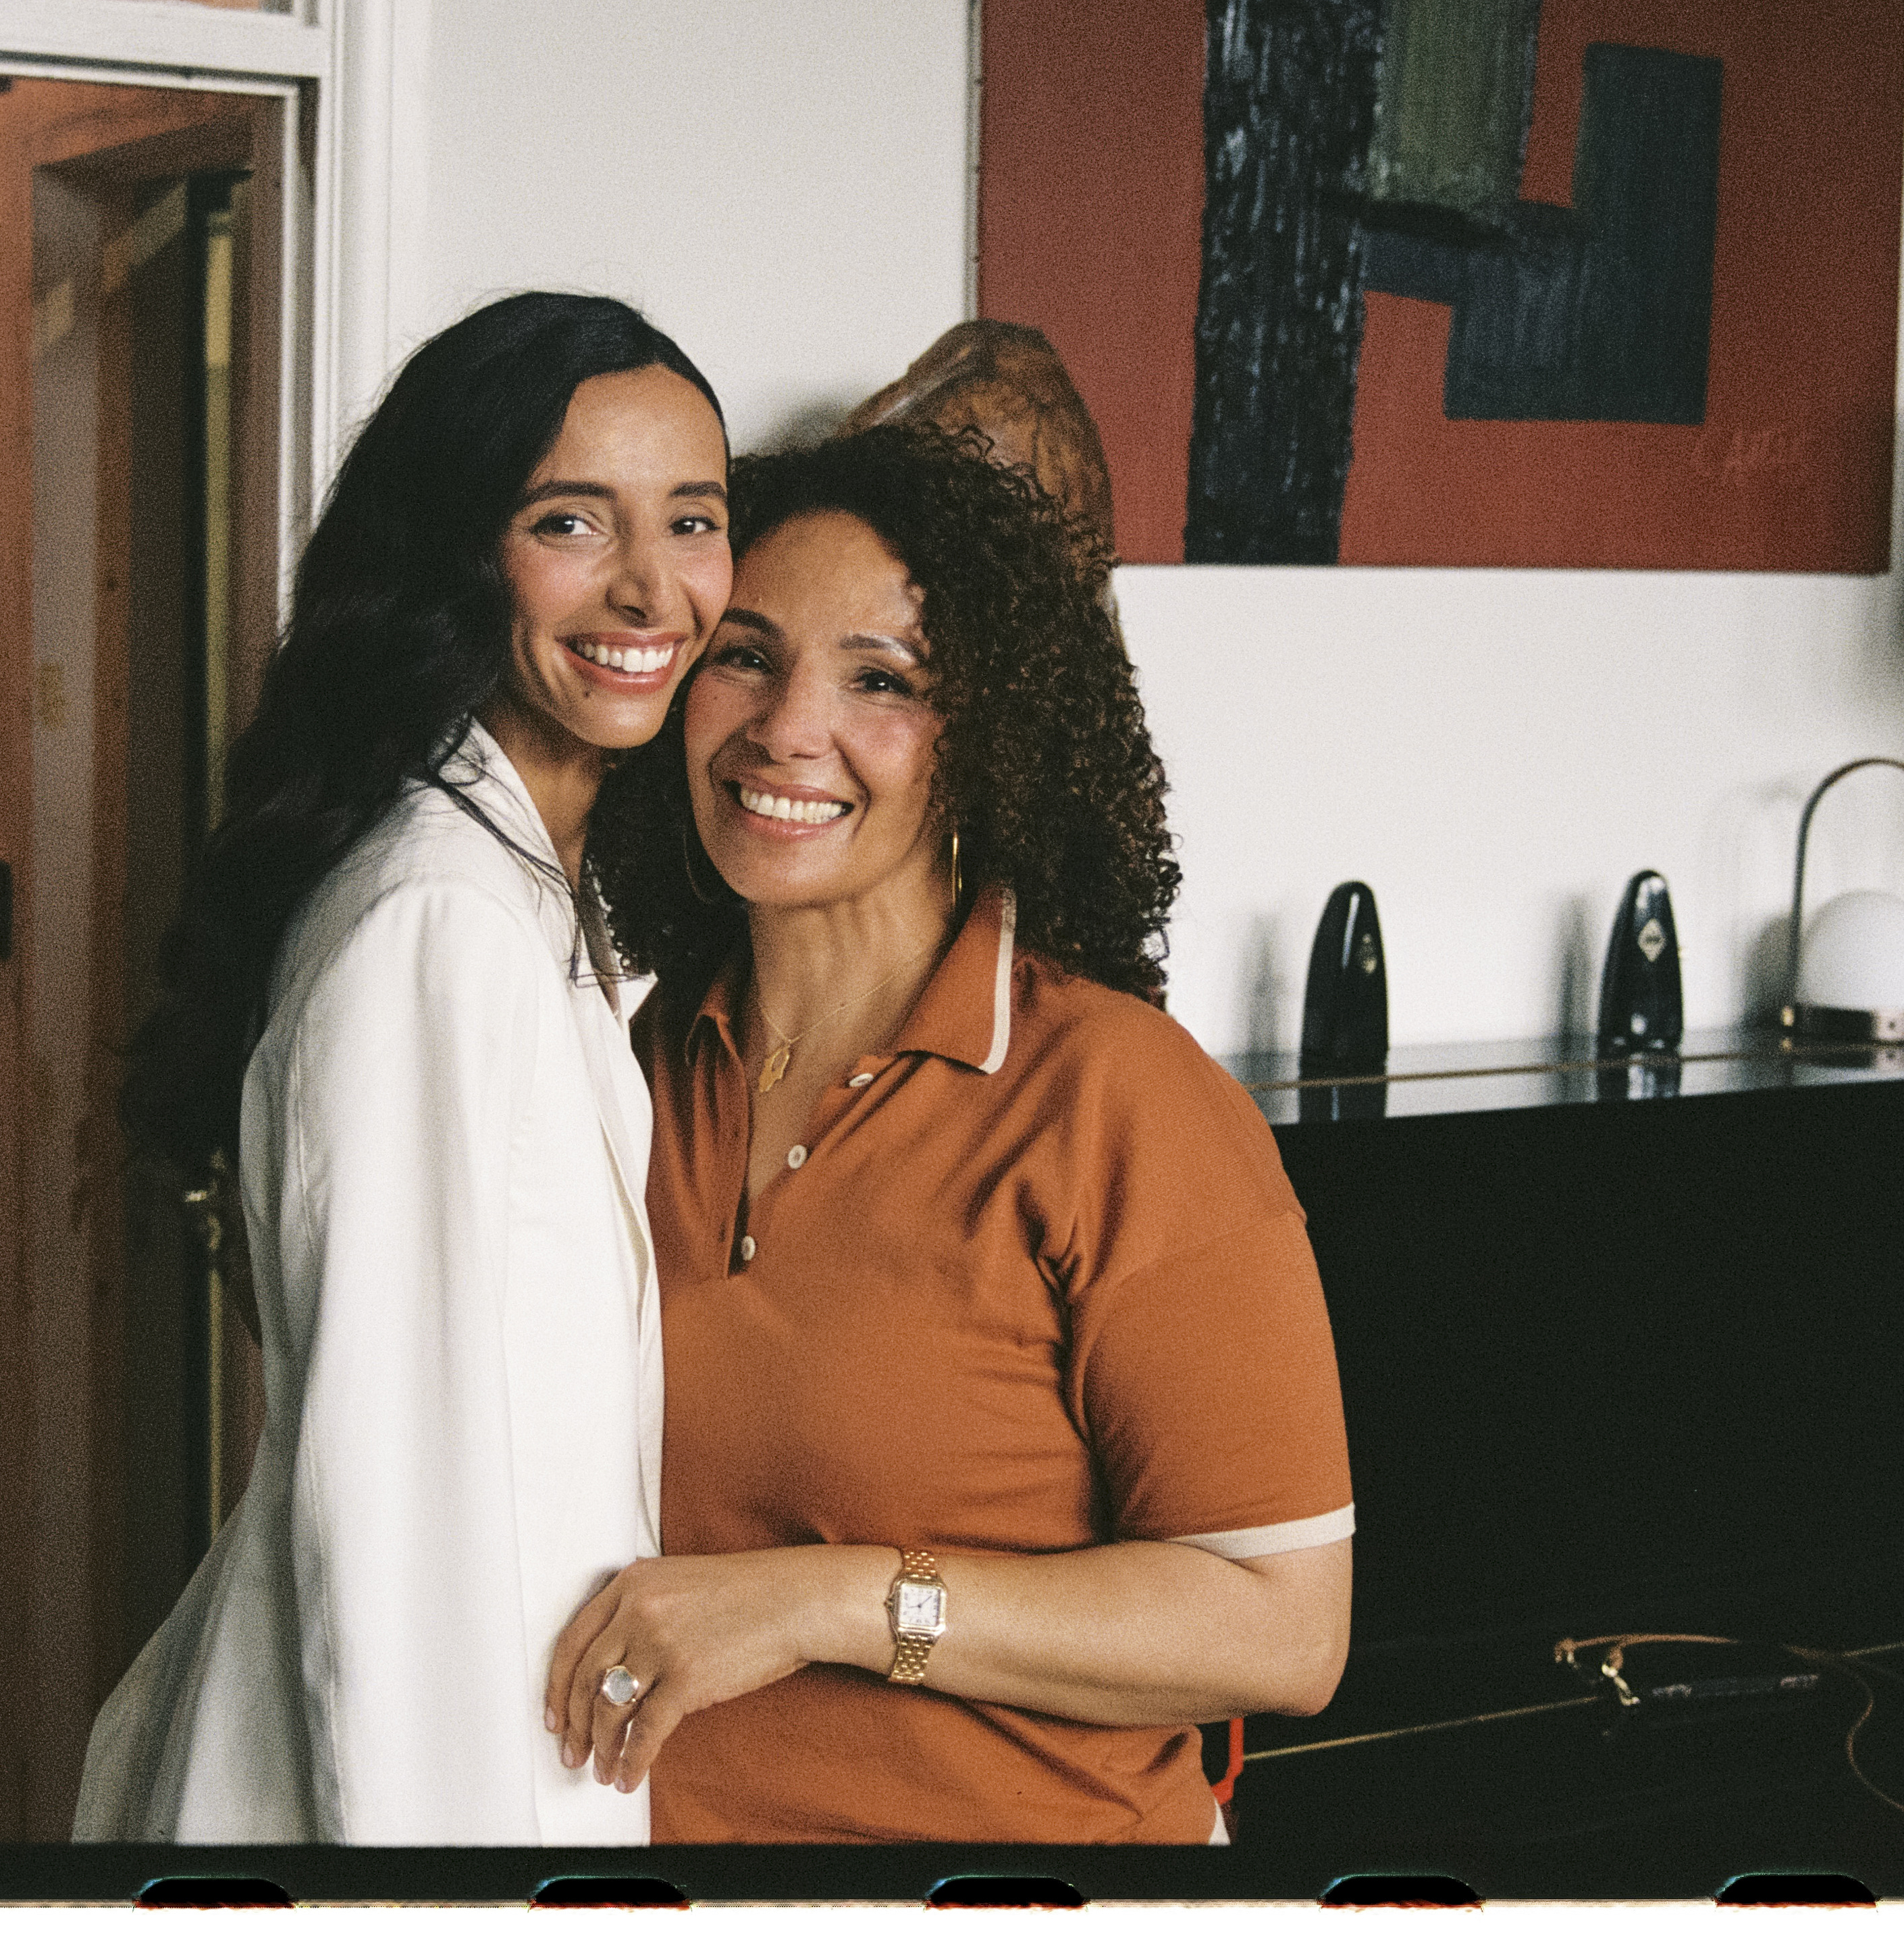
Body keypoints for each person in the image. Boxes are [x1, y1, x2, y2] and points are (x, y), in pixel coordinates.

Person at [559, 425, 1354, 1843]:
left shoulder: (1120, 1100)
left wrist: (830, 1601)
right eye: (744, 654)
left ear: (989, 739)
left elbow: (1282, 1632)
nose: (787, 729)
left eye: (882, 681)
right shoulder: (639, 1060)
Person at [72, 292, 731, 1845]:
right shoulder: (437, 920)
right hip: (426, 1810)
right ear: (457, 550)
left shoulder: (530, 891)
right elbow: (391, 1523)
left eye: (693, 520)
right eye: (572, 520)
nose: (653, 586)